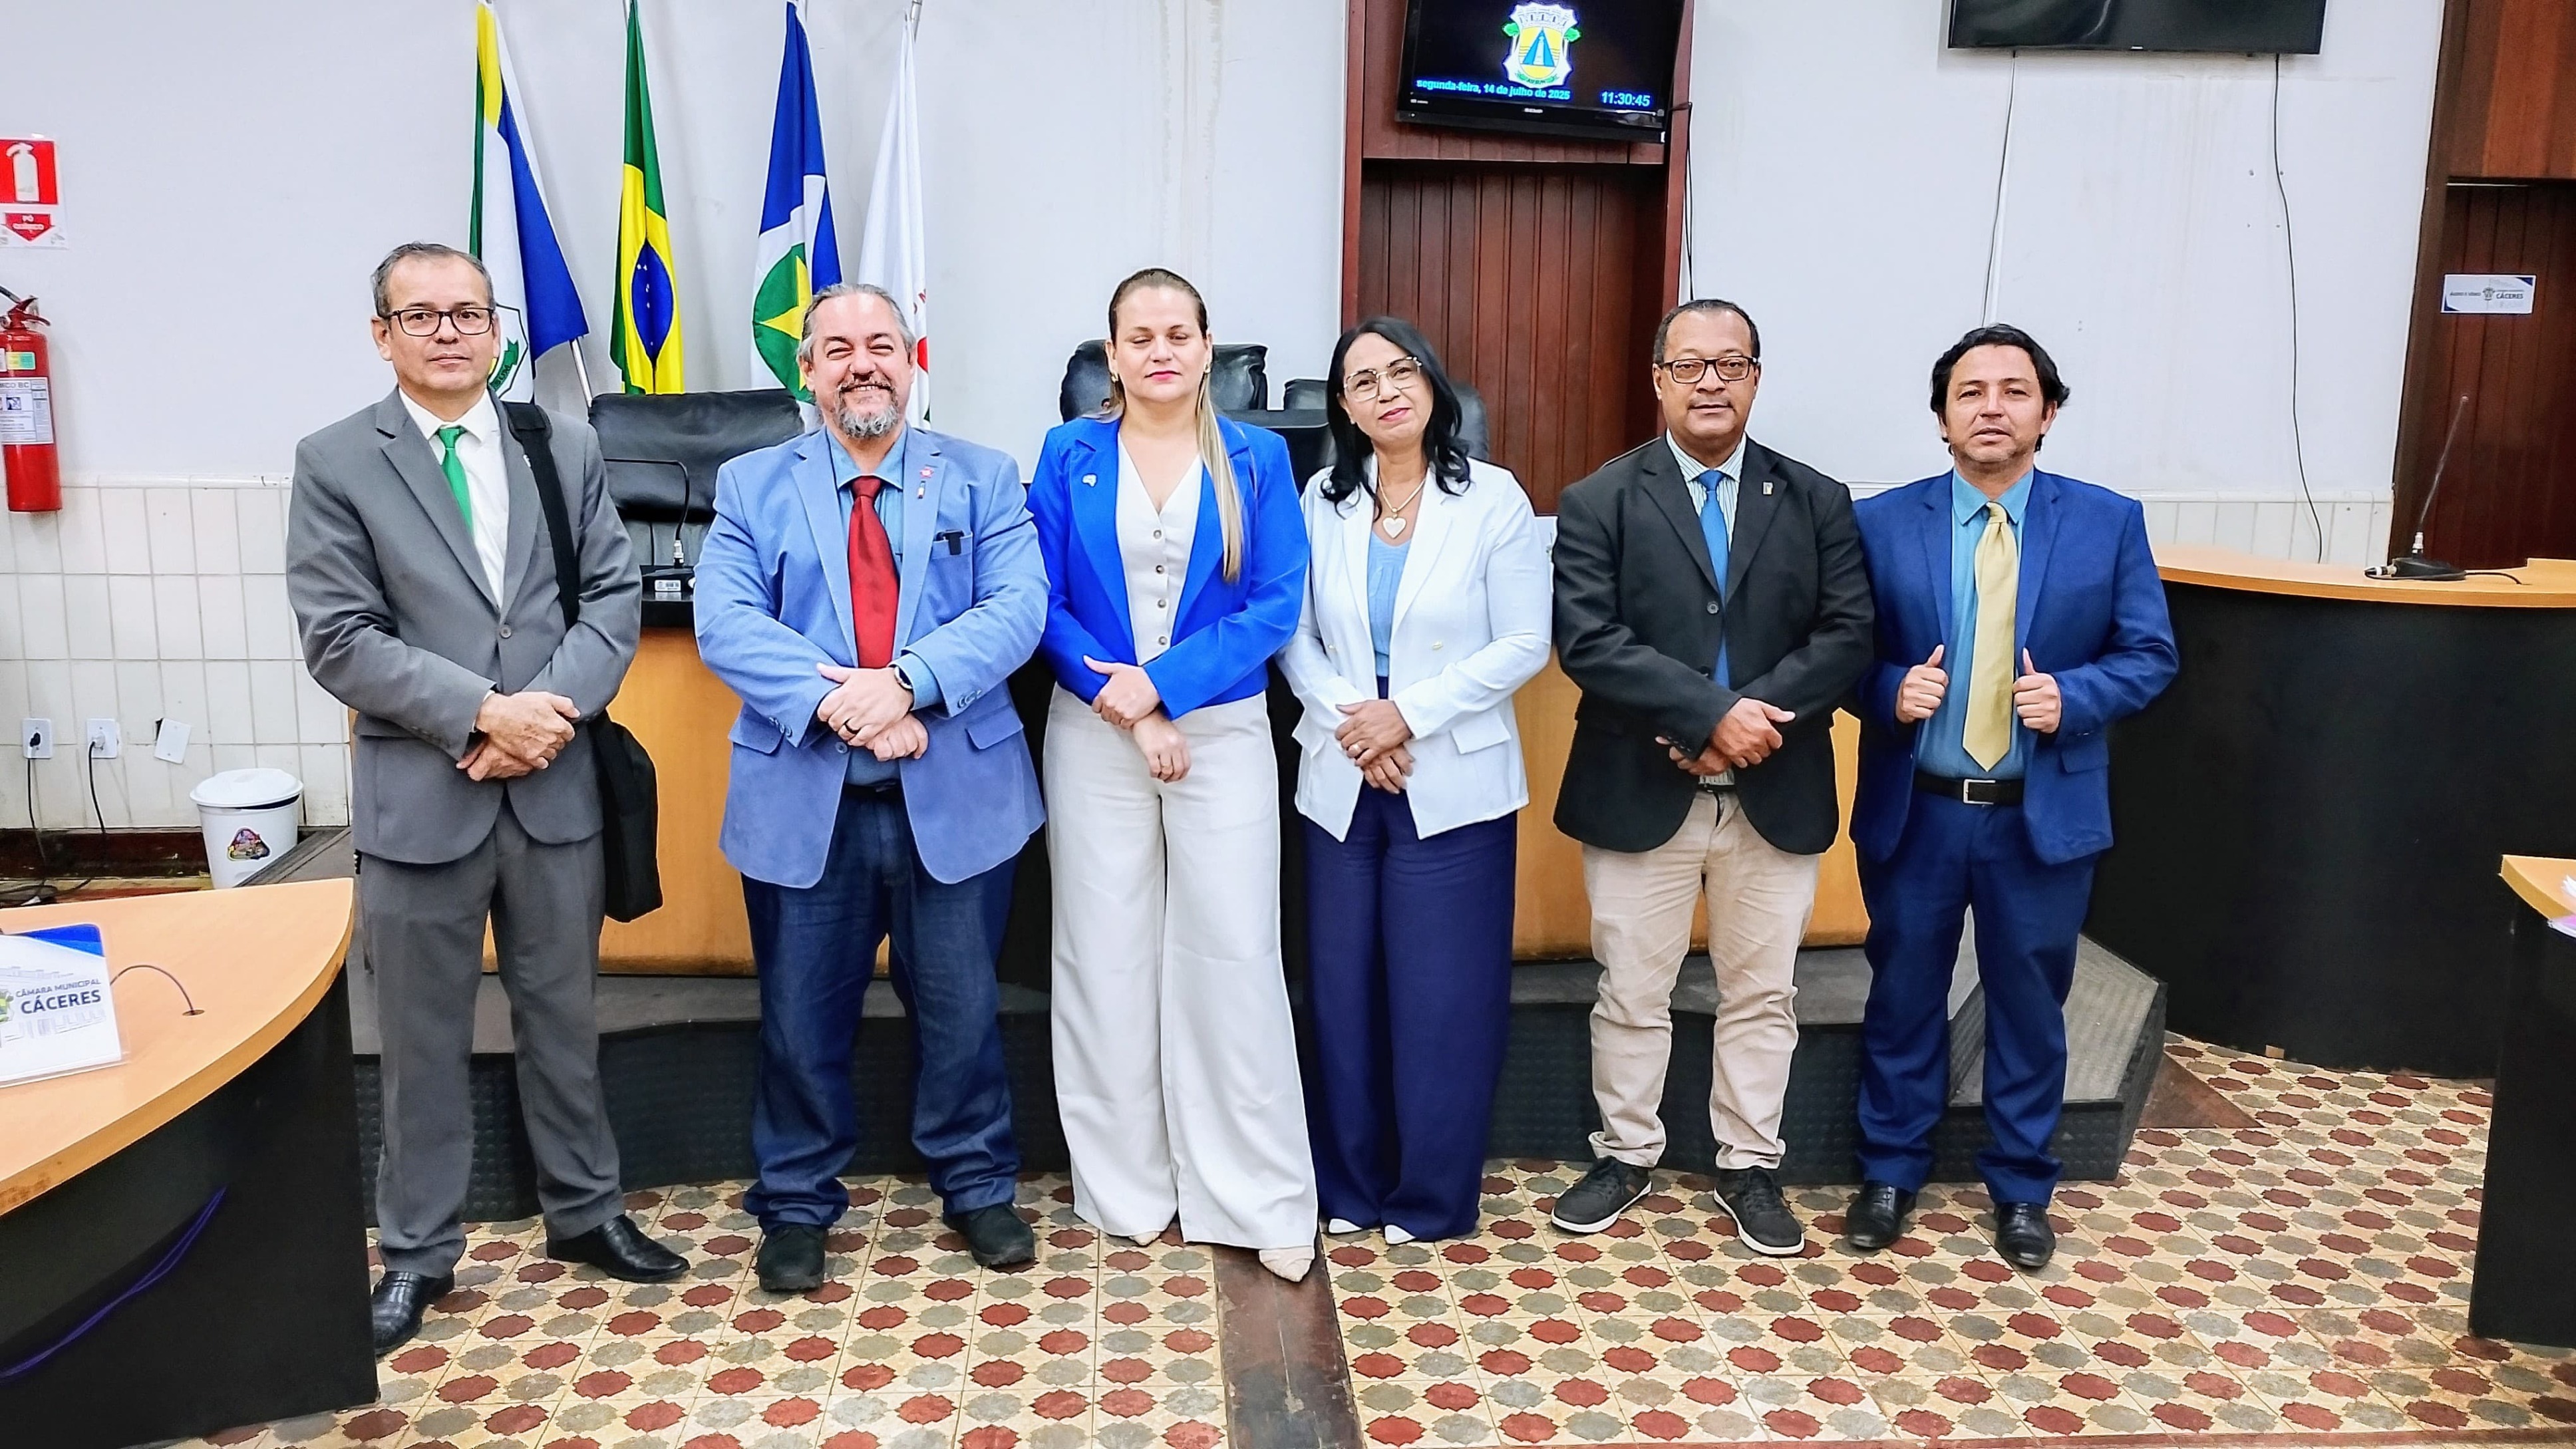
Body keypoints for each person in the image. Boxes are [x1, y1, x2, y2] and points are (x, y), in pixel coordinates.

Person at [287, 242, 683, 1357]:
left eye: (468, 312)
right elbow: (339, 636)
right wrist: (481, 715)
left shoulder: (559, 443)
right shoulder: (335, 460)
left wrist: (542, 717)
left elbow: (611, 597)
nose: (450, 332)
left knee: (566, 1015)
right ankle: (418, 1251)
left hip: (553, 787)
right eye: (422, 316)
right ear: (382, 336)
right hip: (425, 794)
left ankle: (587, 1209)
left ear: (497, 328)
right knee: (420, 1040)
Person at [694, 283, 1047, 1292]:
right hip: (808, 798)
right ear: (807, 369)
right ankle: (796, 1202)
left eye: (882, 345)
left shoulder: (982, 476)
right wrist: (848, 705)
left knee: (964, 1014)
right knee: (799, 1021)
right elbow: (727, 622)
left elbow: (1018, 607)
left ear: (911, 360)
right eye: (839, 348)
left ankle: (978, 1185)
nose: (863, 364)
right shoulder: (751, 484)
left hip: (956, 795)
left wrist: (906, 684)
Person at [1844, 325, 2177, 1269]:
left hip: (2040, 813)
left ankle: (2024, 1188)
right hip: (1920, 808)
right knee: (1904, 993)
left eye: (2014, 391)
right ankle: (1889, 1172)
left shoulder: (2108, 521)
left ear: (2048, 413)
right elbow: (1838, 653)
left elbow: (2150, 653)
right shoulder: (1881, 523)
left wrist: (2076, 697)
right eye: (1971, 392)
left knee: (2031, 1004)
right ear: (1942, 418)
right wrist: (1887, 688)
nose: (1992, 408)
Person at [1547, 298, 1873, 1251]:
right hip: (1639, 786)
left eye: (1730, 365)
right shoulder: (1599, 499)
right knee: (1630, 990)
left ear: (1756, 378)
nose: (1710, 383)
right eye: (1689, 366)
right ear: (1658, 381)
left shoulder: (1816, 499)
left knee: (1764, 992)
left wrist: (1744, 722)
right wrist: (1705, 716)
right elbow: (1589, 640)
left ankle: (1750, 1162)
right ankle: (1625, 1153)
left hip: (1776, 789)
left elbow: (1848, 635)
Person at [1028, 267, 1318, 1281]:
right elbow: (1039, 598)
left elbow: (1275, 604)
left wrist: (1162, 688)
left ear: (1206, 348)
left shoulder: (1258, 456)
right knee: (1102, 955)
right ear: (1111, 354)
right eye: (1139, 336)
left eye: (1178, 334)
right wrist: (1128, 703)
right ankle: (1127, 1188)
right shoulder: (1068, 453)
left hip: (1221, 730)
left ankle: (1256, 1193)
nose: (1160, 350)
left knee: (1233, 951)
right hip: (1093, 729)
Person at [1277, 319, 1549, 1243]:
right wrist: (1359, 723)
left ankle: (1431, 1197)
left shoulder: (1494, 499)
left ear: (1433, 386)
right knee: (1342, 992)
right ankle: (1351, 1188)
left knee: (1443, 999)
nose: (1387, 391)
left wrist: (1409, 716)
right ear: (1344, 408)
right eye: (1364, 381)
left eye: (1402, 372)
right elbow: (1292, 632)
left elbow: (1525, 640)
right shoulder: (1321, 500)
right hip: (1343, 772)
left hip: (1453, 775)